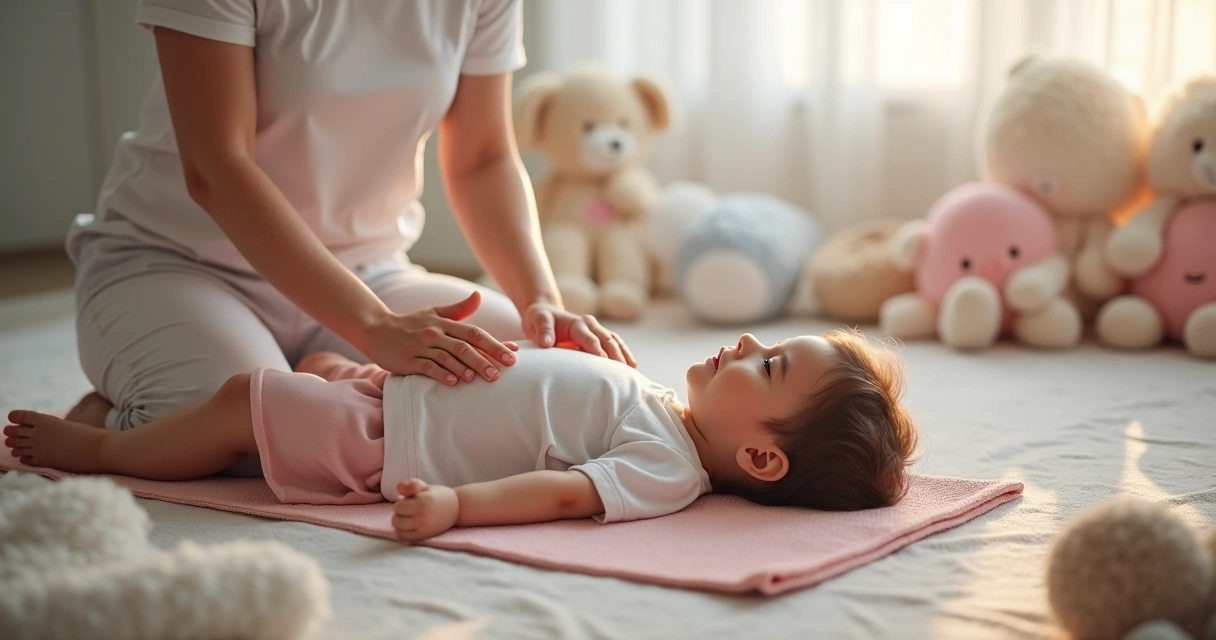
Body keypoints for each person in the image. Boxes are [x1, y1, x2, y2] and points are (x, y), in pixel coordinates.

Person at [60, 0, 633, 476]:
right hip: (177, 261)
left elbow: (483, 159)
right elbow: (216, 167)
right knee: (241, 433)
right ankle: (111, 420)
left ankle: (321, 374)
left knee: (523, 373)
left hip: (367, 272)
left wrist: (543, 304)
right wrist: (376, 330)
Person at [5, 331, 920, 542]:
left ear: (760, 457)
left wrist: (455, 507)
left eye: (766, 370)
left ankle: (109, 455)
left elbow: (562, 492)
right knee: (316, 364)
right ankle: (135, 421)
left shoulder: (665, 469)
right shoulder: (665, 410)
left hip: (386, 438)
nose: (747, 344)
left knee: (251, 396)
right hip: (394, 390)